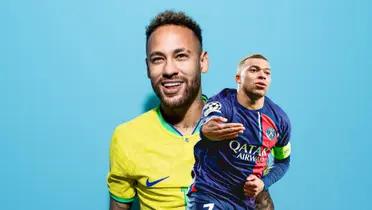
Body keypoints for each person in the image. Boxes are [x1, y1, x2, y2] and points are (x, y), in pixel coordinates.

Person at [107, 10, 274, 210]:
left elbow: (261, 202)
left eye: (181, 56)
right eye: (158, 59)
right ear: (147, 68)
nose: (169, 70)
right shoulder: (127, 137)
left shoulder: (240, 126)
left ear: (202, 62)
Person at [188, 54, 291, 210]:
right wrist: (208, 129)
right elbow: (210, 121)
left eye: (267, 73)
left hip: (245, 201)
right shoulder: (223, 102)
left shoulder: (279, 120)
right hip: (210, 192)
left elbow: (283, 161)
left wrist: (264, 182)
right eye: (254, 70)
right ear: (238, 78)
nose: (262, 75)